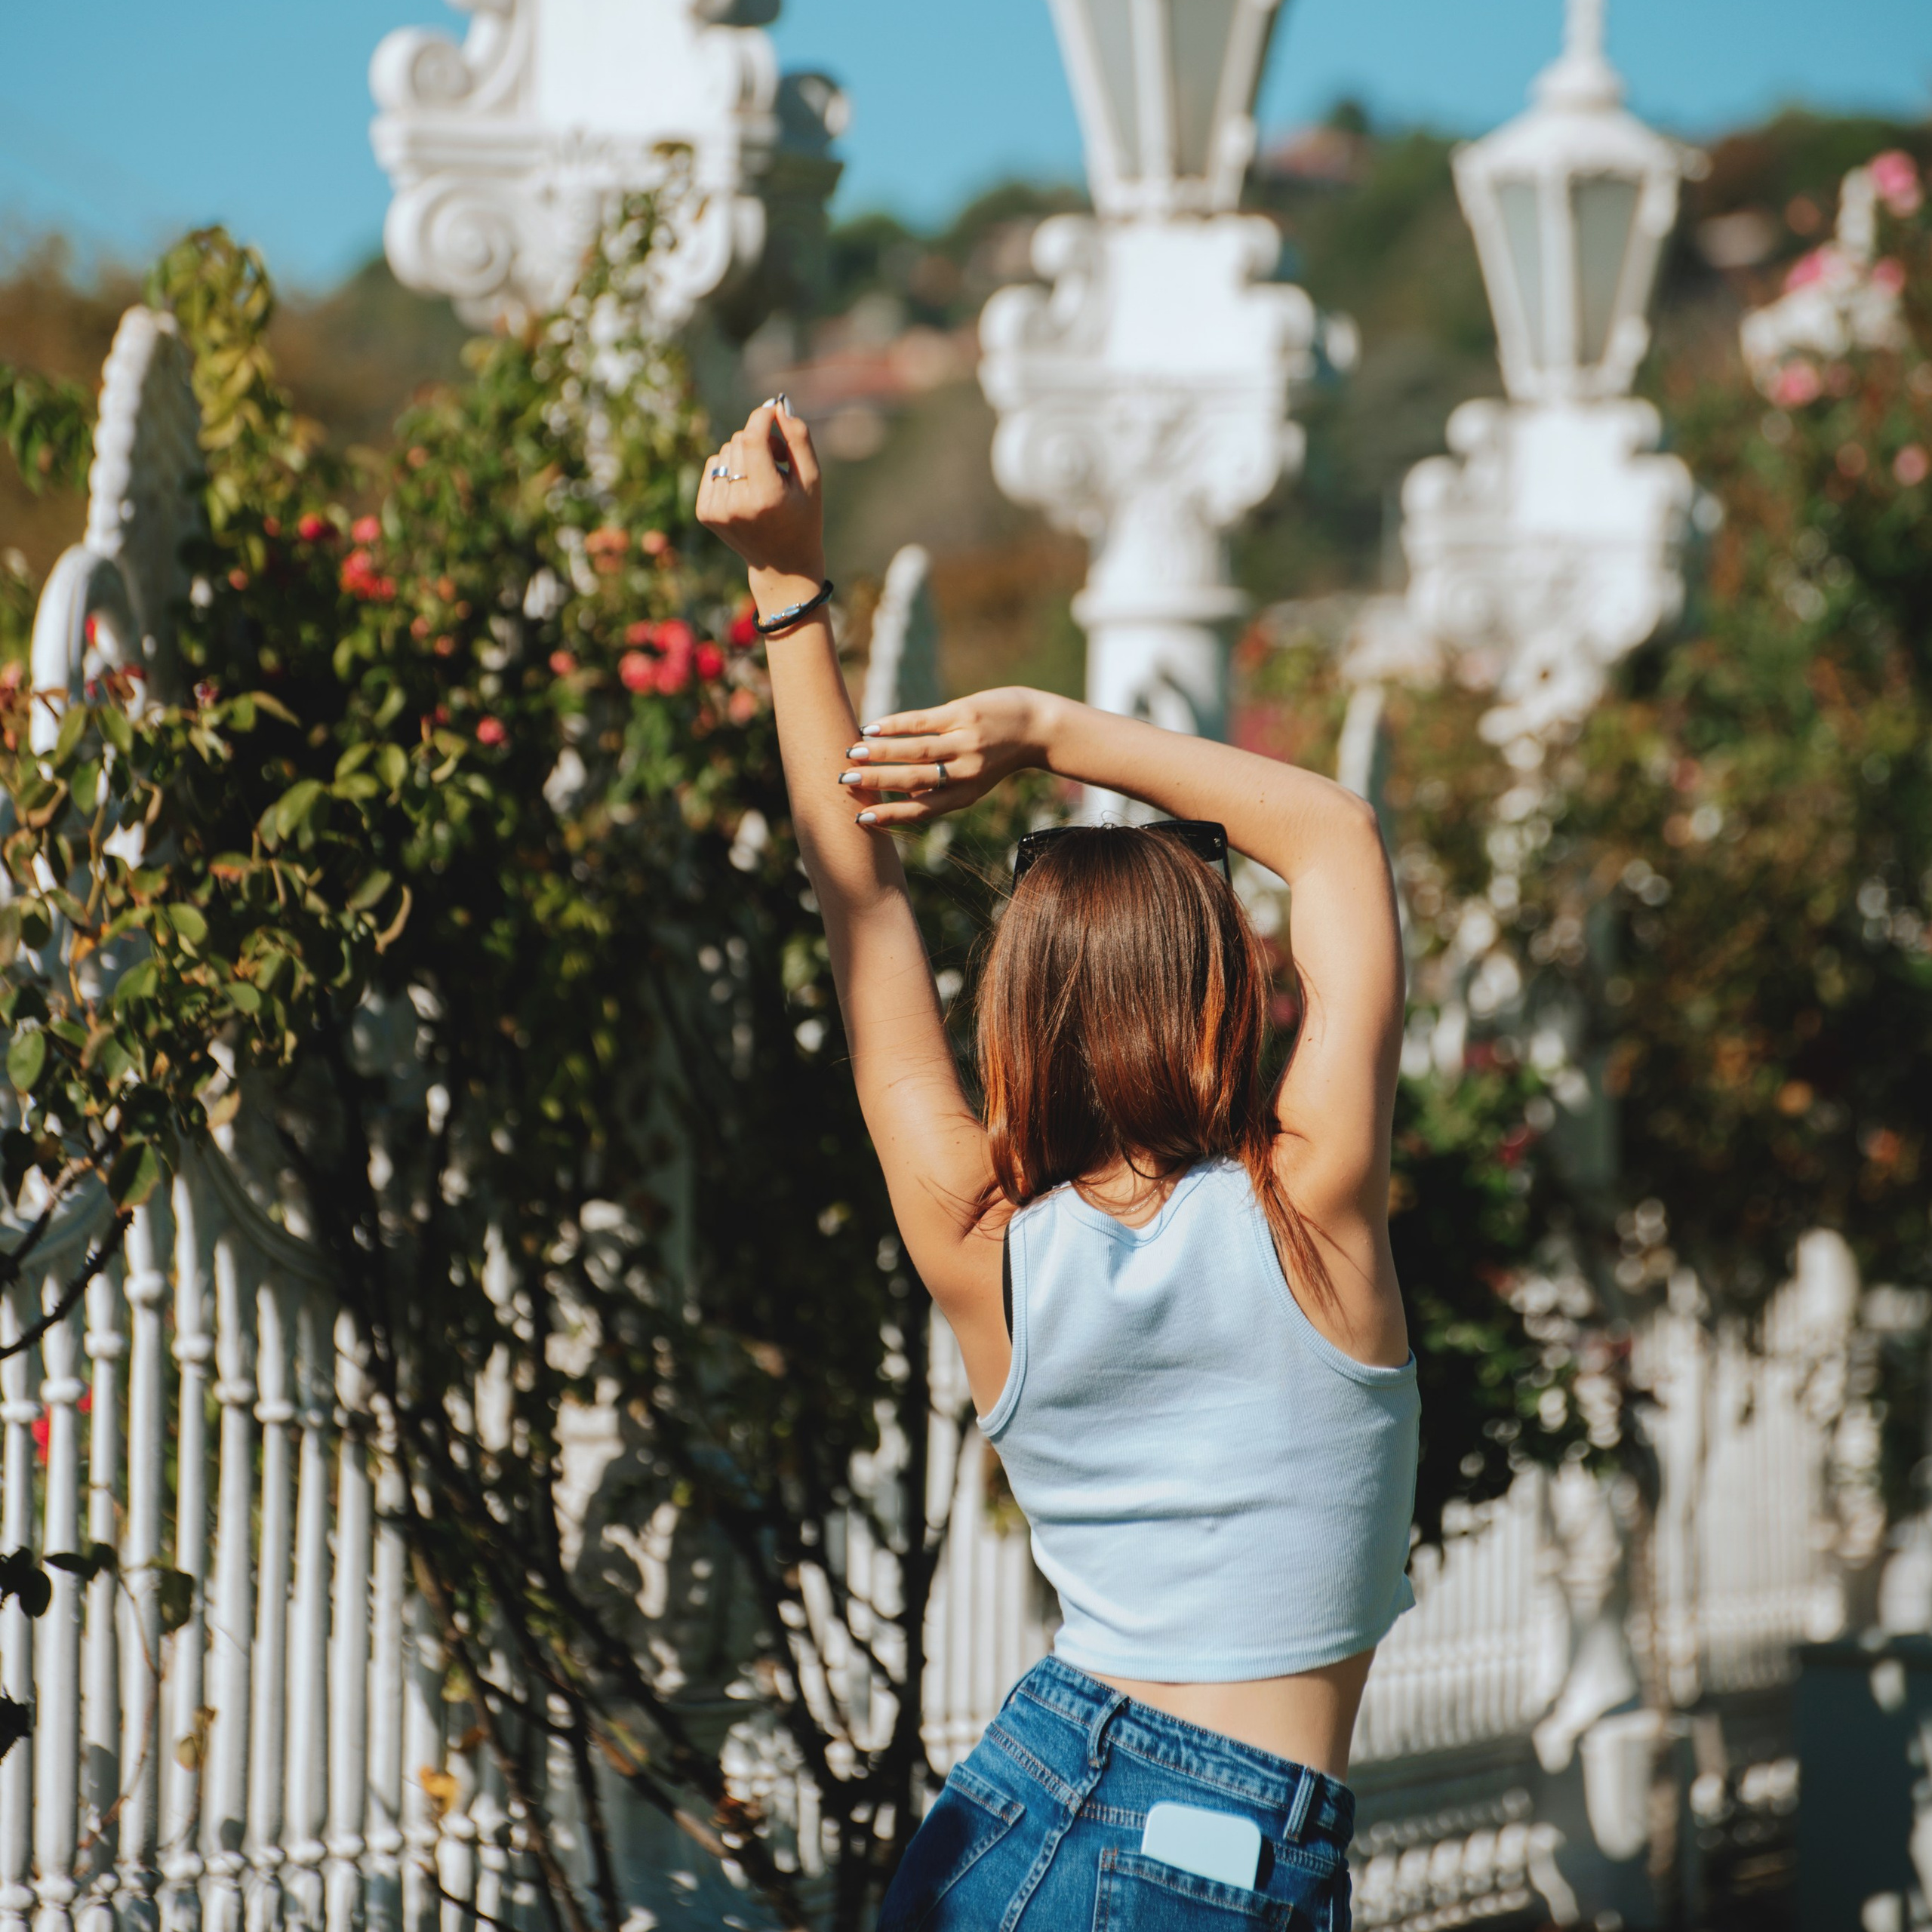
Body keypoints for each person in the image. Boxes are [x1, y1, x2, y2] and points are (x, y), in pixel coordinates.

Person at [700, 402, 1417, 1931]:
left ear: (1012, 1022)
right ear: (1232, 988)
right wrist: (1040, 726)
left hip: (1022, 1796)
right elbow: (1335, 836)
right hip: (1196, 1845)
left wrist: (784, 588)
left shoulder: (988, 1242)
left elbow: (864, 916)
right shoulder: (1314, 1207)